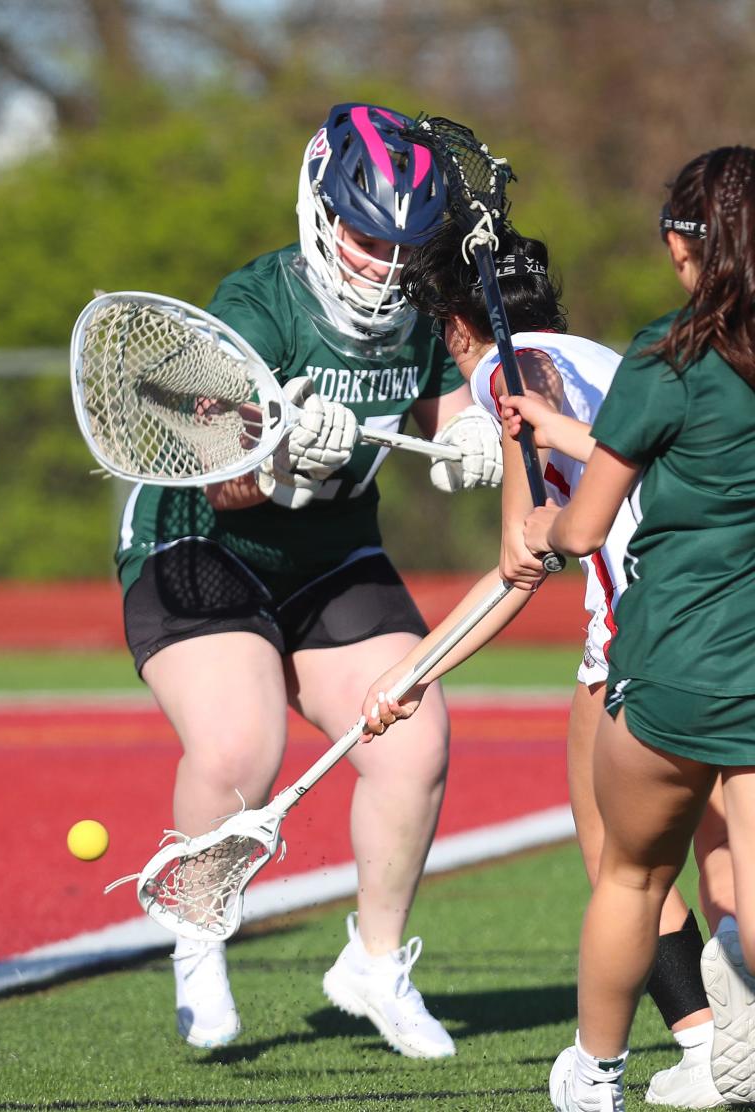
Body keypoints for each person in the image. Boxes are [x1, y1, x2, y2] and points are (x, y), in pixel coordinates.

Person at [116, 102, 502, 1055]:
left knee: (415, 741)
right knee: (240, 749)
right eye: (367, 234)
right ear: (323, 212)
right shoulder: (257, 305)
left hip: (329, 553)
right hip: (205, 544)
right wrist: (280, 450)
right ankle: (200, 936)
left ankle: (372, 966)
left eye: (401, 243)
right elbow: (229, 485)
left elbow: (446, 390)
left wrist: (468, 431)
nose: (382, 260)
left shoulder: (420, 304)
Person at [357, 220, 731, 1107]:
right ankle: (722, 1040)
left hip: (641, 625)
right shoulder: (605, 350)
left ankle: (699, 1045)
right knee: (723, 844)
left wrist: (411, 671)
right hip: (718, 610)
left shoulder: (507, 370)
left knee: (620, 862)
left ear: (457, 327)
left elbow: (520, 568)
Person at [515, 146, 755, 1111]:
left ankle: (595, 1074)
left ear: (681, 245)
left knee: (630, 876)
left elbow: (582, 528)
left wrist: (542, 524)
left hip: (674, 672)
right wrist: (562, 426)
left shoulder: (671, 354)